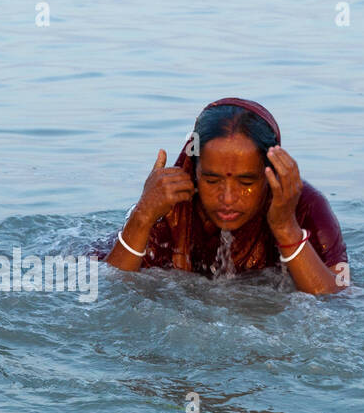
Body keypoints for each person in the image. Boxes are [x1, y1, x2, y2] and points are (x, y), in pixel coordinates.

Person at [105, 97, 347, 294]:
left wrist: (286, 228)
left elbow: (338, 299)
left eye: (246, 181)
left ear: (268, 174)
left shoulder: (304, 205)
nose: (228, 198)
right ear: (193, 170)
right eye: (212, 180)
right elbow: (110, 290)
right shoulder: (170, 205)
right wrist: (142, 216)